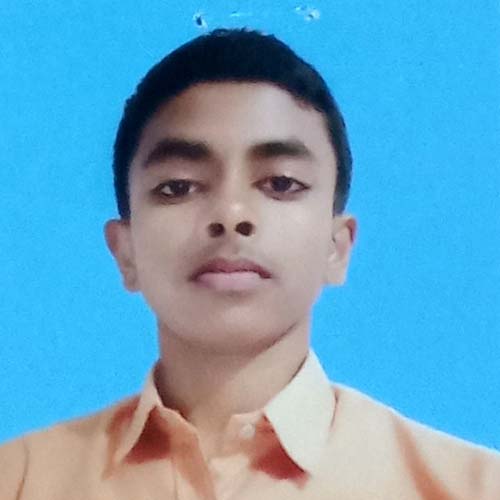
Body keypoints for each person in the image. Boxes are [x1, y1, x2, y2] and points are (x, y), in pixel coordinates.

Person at [1, 27, 498, 500]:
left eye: (280, 183)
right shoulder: (20, 480)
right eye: (178, 186)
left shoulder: (469, 488)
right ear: (125, 251)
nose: (231, 214)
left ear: (337, 246)